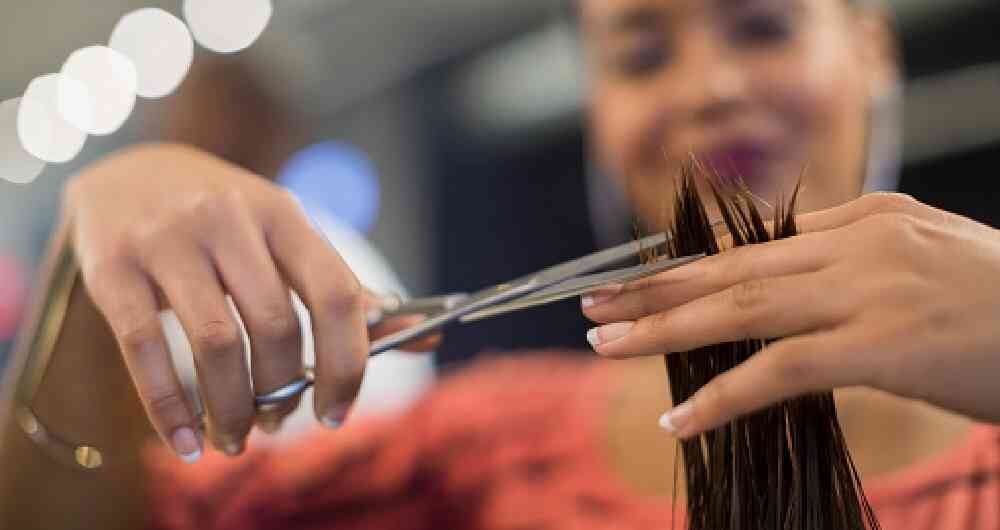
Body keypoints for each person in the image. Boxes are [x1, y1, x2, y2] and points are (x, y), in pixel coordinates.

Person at [54, 0, 1000, 525]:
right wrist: (89, 249)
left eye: (762, 27)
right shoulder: (485, 451)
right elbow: (98, 510)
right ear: (599, 109)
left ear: (872, 49)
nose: (712, 88)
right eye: (640, 54)